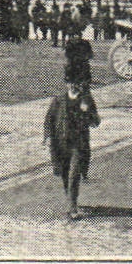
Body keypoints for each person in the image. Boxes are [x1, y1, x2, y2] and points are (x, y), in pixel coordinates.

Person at [44, 79, 101, 220]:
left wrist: (86, 112)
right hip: (60, 143)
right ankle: (71, 200)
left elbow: (96, 122)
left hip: (78, 144)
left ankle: (72, 207)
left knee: (74, 174)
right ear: (67, 84)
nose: (74, 85)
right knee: (64, 174)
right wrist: (48, 137)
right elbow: (48, 120)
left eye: (76, 82)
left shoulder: (86, 100)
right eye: (70, 82)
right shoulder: (58, 100)